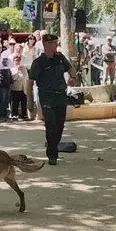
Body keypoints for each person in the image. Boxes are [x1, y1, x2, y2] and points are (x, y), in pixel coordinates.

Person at [29, 34, 71, 166]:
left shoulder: (60, 58)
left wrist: (73, 77)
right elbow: (30, 82)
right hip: (46, 96)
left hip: (60, 95)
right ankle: (52, 154)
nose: (56, 45)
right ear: (46, 44)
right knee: (51, 123)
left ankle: (53, 145)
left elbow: (70, 68)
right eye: (53, 43)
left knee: (59, 125)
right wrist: (29, 101)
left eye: (56, 42)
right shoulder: (39, 62)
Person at [9, 54, 29, 119]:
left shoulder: (23, 68)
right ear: (13, 61)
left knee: (24, 102)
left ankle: (24, 115)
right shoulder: (12, 69)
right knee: (15, 103)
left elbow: (26, 77)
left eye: (19, 60)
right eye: (16, 60)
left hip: (23, 88)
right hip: (15, 88)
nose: (17, 62)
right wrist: (17, 70)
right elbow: (14, 78)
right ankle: (14, 114)